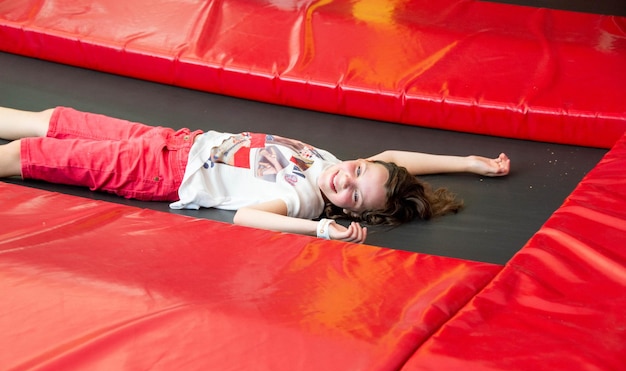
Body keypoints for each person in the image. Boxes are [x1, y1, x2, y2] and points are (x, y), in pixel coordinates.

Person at [0, 106, 510, 243]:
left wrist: (318, 229)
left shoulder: (305, 201)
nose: (344, 181)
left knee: (31, 154)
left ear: (347, 210)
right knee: (54, 122)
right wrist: (466, 163)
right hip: (177, 137)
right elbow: (395, 159)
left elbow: (246, 216)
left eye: (353, 195)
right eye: (357, 171)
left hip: (161, 170)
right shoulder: (331, 163)